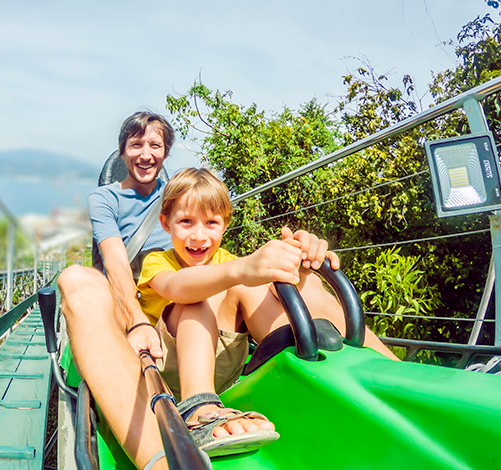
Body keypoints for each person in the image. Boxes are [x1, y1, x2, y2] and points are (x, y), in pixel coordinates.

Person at [57, 112, 397, 470]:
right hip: (160, 313)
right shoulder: (119, 212)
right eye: (136, 144)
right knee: (188, 294)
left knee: (293, 278)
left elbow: (238, 268)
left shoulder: (183, 202)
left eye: (154, 144)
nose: (145, 153)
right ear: (123, 152)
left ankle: (387, 374)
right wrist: (135, 320)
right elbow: (119, 263)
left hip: (214, 326)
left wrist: (294, 258)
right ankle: (184, 428)